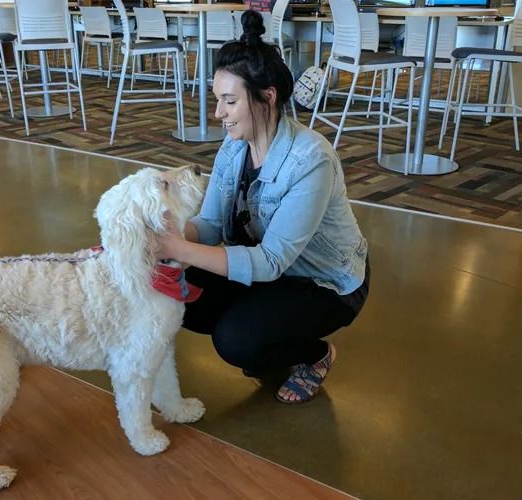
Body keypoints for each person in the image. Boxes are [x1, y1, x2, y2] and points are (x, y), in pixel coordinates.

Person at [155, 10, 370, 404]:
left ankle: (315, 354)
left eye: (229, 101)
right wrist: (164, 235)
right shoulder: (235, 144)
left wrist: (179, 250)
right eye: (218, 99)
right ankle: (268, 330)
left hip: (326, 283)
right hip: (270, 267)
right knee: (179, 296)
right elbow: (212, 224)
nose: (218, 113)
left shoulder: (311, 160)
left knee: (237, 341)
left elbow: (272, 262)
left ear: (267, 97)